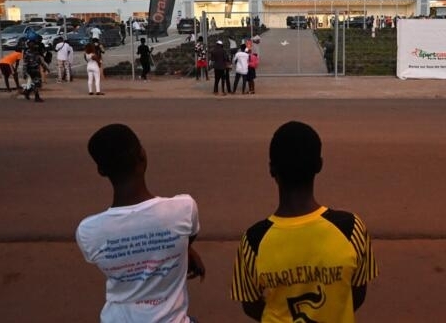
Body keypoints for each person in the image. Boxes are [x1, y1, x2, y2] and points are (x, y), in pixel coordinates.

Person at [231, 121, 378, 321]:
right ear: (319, 165)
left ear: (272, 169)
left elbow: (250, 305)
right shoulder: (351, 229)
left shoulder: (253, 241)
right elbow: (357, 295)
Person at [77, 124, 205, 323]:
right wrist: (183, 249)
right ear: (143, 156)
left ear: (101, 171)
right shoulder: (183, 210)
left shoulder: (89, 232)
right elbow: (188, 236)